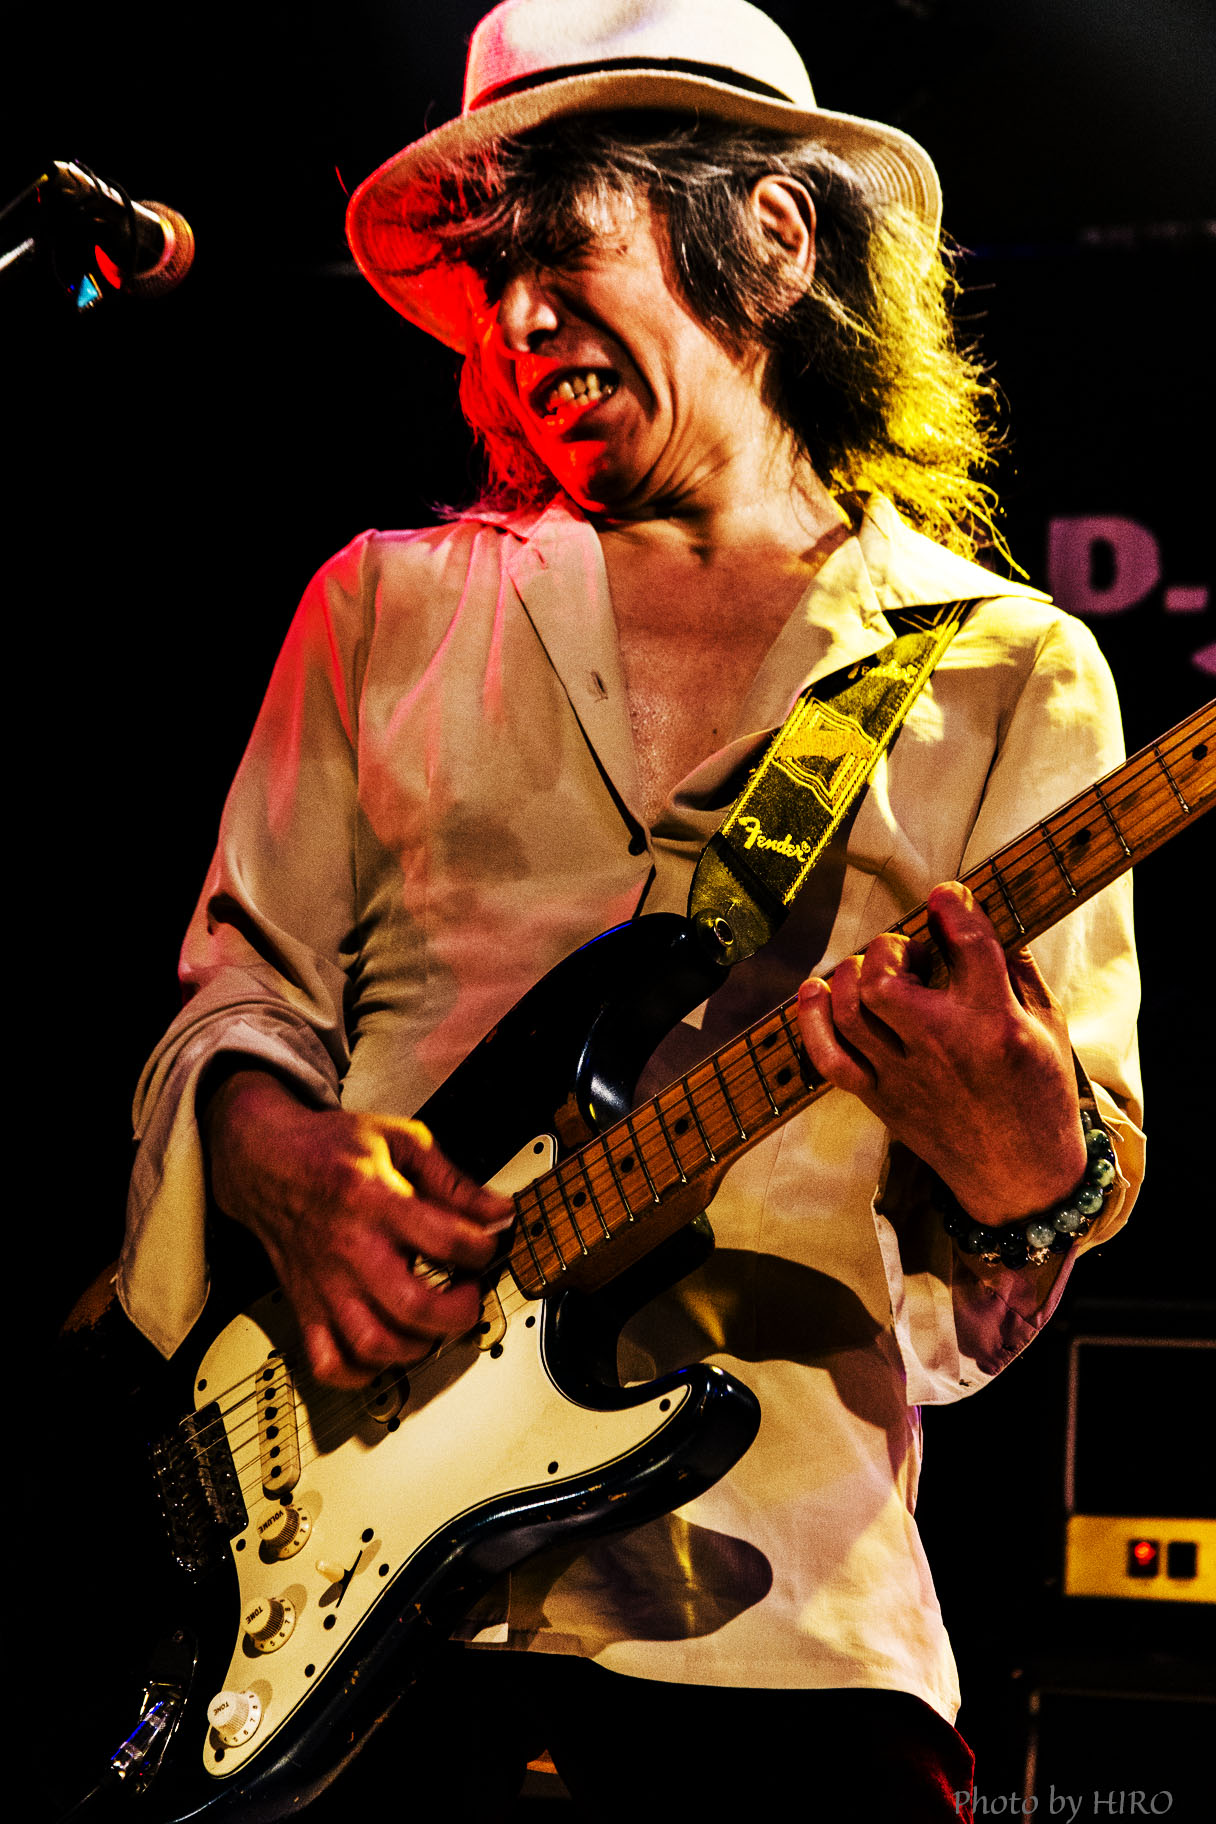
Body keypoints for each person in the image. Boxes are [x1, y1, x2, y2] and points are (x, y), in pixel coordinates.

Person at [119, 2, 1143, 1816]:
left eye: (559, 250)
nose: (513, 322)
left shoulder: (1008, 669)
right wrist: (281, 1162)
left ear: (772, 236)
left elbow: (1025, 1248)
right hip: (340, 1623)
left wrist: (1017, 1153)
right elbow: (236, 1001)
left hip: (786, 1625)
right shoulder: (381, 609)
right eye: (487, 277)